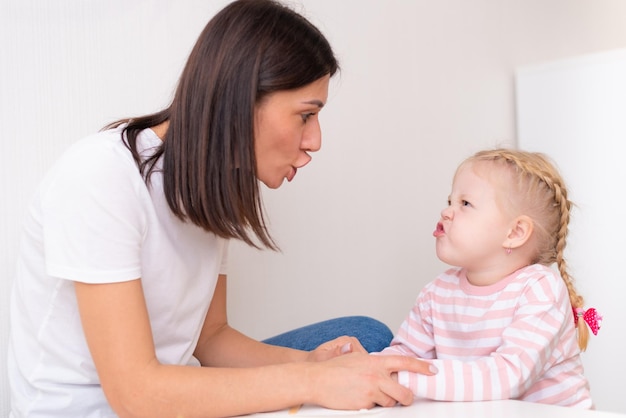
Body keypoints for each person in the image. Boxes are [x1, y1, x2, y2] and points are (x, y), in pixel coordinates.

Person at [7, 1, 436, 417]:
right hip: (105, 408)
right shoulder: (101, 177)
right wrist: (314, 383)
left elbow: (209, 339)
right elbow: (135, 396)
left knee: (365, 338)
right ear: (242, 99)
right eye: (306, 115)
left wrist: (313, 366)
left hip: (170, 387)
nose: (315, 141)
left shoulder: (208, 184)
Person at [379, 149, 602, 408]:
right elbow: (404, 355)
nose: (446, 212)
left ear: (515, 232)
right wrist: (371, 368)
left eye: (465, 204)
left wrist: (401, 378)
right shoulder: (436, 292)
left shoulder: (541, 290)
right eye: (450, 201)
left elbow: (508, 375)